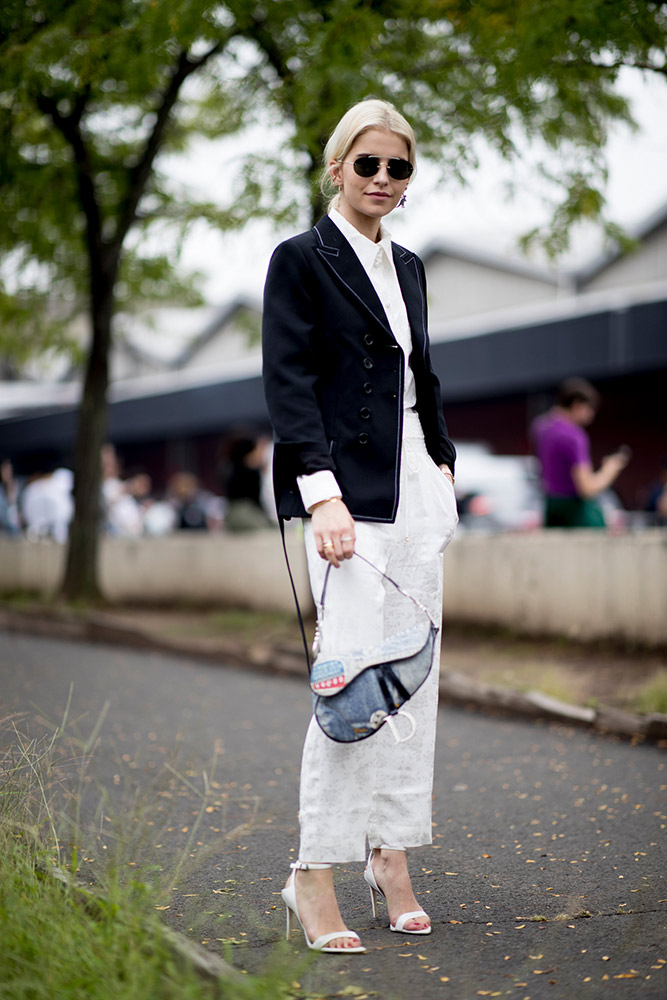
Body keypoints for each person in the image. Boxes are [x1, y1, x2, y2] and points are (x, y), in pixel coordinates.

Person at [262, 99, 458, 953]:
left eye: (398, 167)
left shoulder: (410, 265)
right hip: (347, 493)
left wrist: (444, 460)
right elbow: (289, 381)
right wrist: (321, 493)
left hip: (417, 486)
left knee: (412, 676)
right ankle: (312, 874)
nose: (382, 179)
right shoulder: (300, 260)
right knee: (348, 683)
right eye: (367, 163)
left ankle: (390, 855)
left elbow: (421, 371)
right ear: (336, 166)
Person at [531, 377, 630, 528]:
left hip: (551, 508)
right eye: (589, 409)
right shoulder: (574, 436)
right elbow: (587, 488)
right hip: (575, 512)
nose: (591, 416)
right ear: (576, 405)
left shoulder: (540, 427)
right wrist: (609, 470)